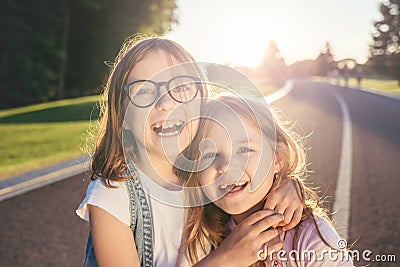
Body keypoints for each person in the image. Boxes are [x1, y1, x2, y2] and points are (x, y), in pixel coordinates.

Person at [76, 36, 304, 267]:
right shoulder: (111, 194)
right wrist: (226, 259)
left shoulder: (207, 169)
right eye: (143, 91)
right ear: (121, 114)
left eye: (181, 88)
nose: (164, 103)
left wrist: (284, 182)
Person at [181, 95, 354, 266]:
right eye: (210, 155)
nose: (226, 166)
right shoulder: (200, 233)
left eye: (244, 150)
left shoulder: (309, 238)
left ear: (277, 159)